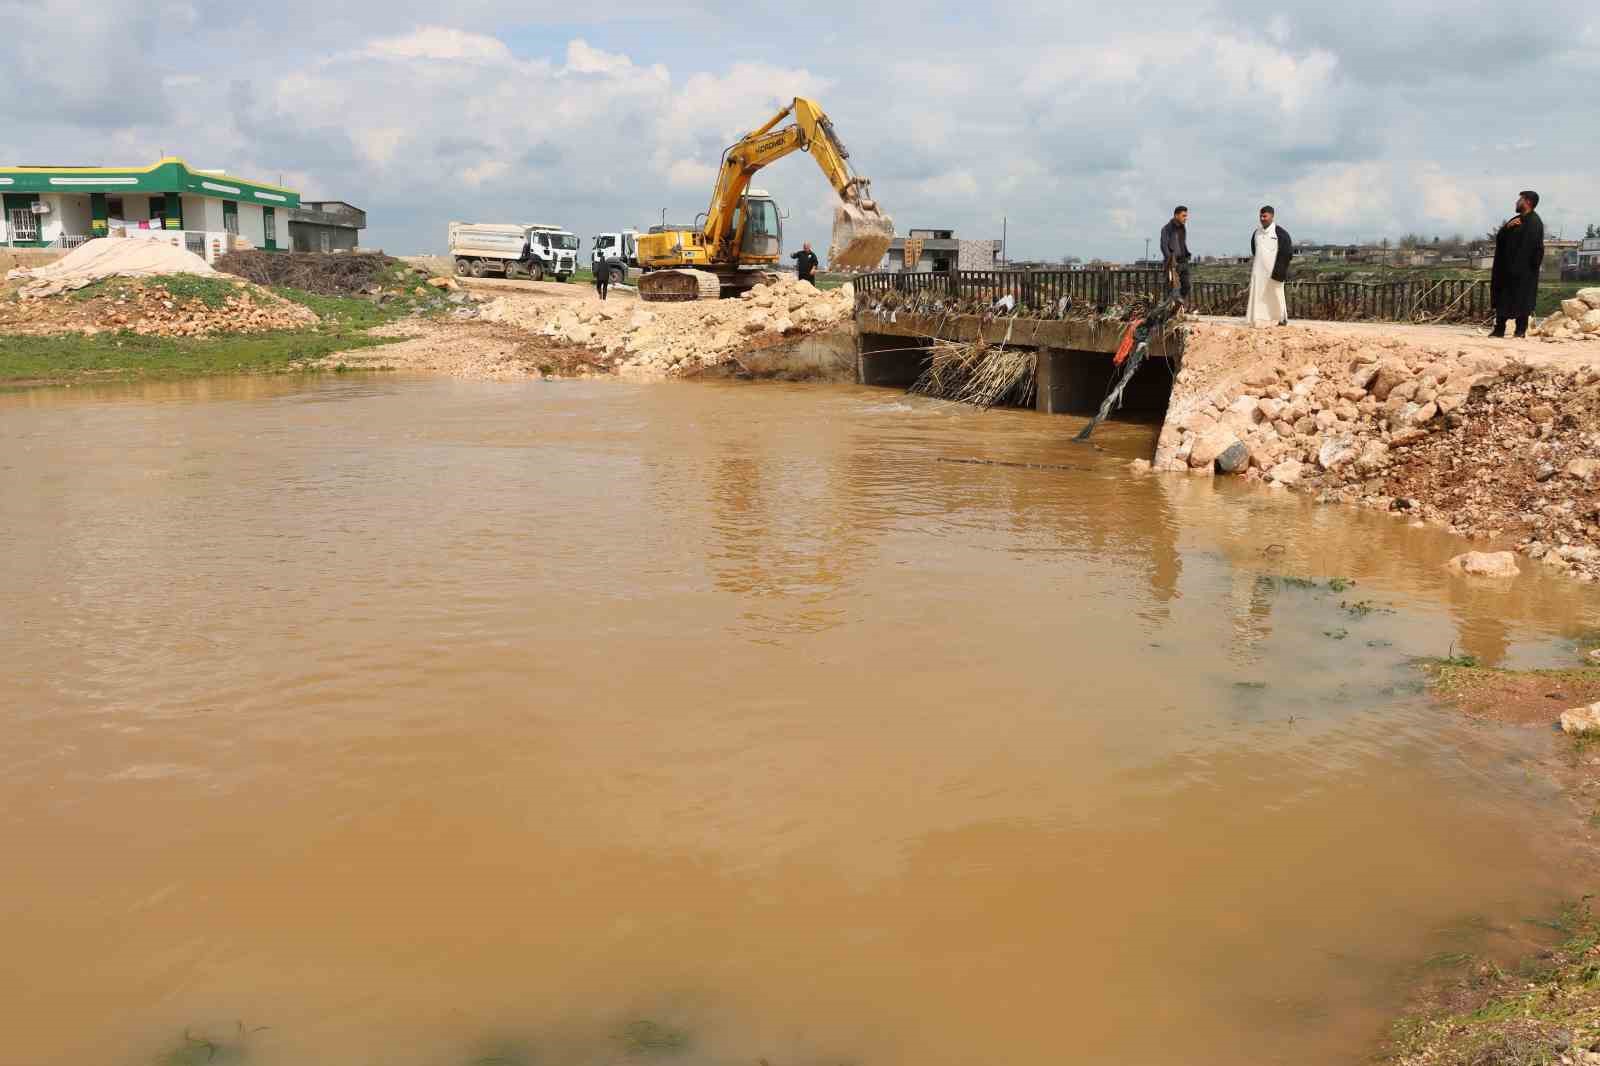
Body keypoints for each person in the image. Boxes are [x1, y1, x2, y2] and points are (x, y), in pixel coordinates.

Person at [1490, 190, 1545, 338]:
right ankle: (1499, 329)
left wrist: (1528, 269)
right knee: (1503, 299)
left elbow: (1536, 249)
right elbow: (1501, 239)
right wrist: (1506, 228)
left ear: (1528, 202)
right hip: (1507, 271)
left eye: (1520, 200)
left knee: (1522, 300)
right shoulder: (1516, 220)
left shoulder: (1534, 222)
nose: (1516, 202)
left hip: (1524, 272)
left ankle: (1520, 331)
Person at [1245, 205, 1294, 328]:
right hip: (1259, 271)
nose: (1262, 218)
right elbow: (1254, 250)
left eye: (1265, 216)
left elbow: (1287, 252)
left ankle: (1282, 319)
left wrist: (1280, 270)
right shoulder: (1256, 233)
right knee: (1258, 295)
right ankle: (1258, 318)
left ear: (1272, 216)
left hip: (1275, 271)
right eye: (1260, 216)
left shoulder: (1280, 233)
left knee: (1277, 294)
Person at [1160, 206, 1192, 300]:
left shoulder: (1183, 228)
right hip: (1173, 263)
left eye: (1186, 216)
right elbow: (1164, 246)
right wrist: (1170, 259)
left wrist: (1187, 253)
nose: (1186, 218)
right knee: (1171, 288)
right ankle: (1170, 306)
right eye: (1183, 216)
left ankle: (1178, 303)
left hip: (1183, 262)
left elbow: (1181, 243)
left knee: (1187, 286)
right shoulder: (1166, 228)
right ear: (1176, 215)